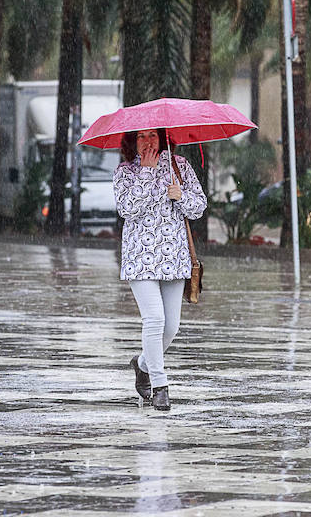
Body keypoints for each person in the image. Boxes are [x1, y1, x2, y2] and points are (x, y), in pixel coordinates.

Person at [113, 128, 206, 411]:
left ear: (164, 137)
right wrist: (147, 173)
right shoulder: (125, 171)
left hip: (174, 259)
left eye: (153, 135)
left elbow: (199, 206)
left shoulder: (180, 166)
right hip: (139, 259)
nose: (148, 142)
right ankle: (160, 385)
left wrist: (182, 197)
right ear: (132, 141)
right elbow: (126, 209)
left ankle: (142, 364)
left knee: (171, 327)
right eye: (141, 137)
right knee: (154, 320)